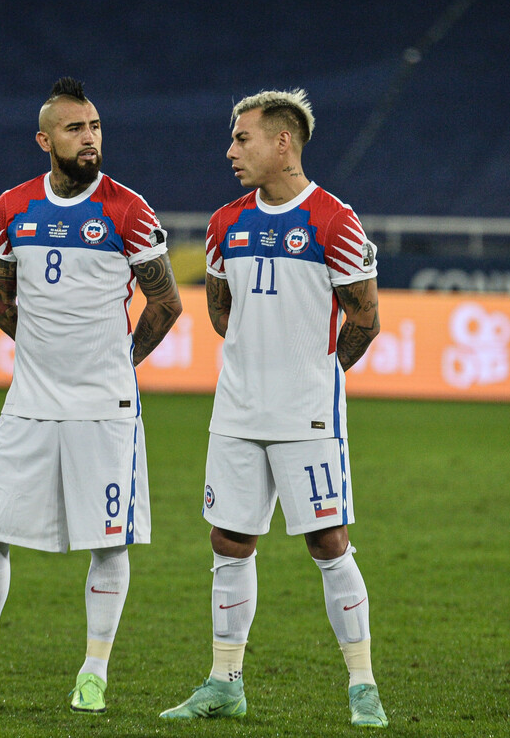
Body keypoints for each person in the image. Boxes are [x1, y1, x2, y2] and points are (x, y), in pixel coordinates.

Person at [0, 77, 182, 713]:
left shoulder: (128, 209)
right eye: (73, 129)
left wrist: (118, 360)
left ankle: (94, 672)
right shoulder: (11, 208)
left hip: (104, 404)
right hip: (29, 401)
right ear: (44, 139)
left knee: (107, 541)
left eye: (93, 127)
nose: (88, 139)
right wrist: (43, 354)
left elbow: (166, 303)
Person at [159, 89, 386, 726]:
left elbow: (364, 320)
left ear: (282, 143)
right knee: (229, 541)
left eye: (243, 139)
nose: (231, 151)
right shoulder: (224, 221)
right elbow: (219, 308)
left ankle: (362, 686)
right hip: (236, 410)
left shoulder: (336, 222)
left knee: (328, 540)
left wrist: (314, 376)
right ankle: (224, 682)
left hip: (308, 414)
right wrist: (257, 369)